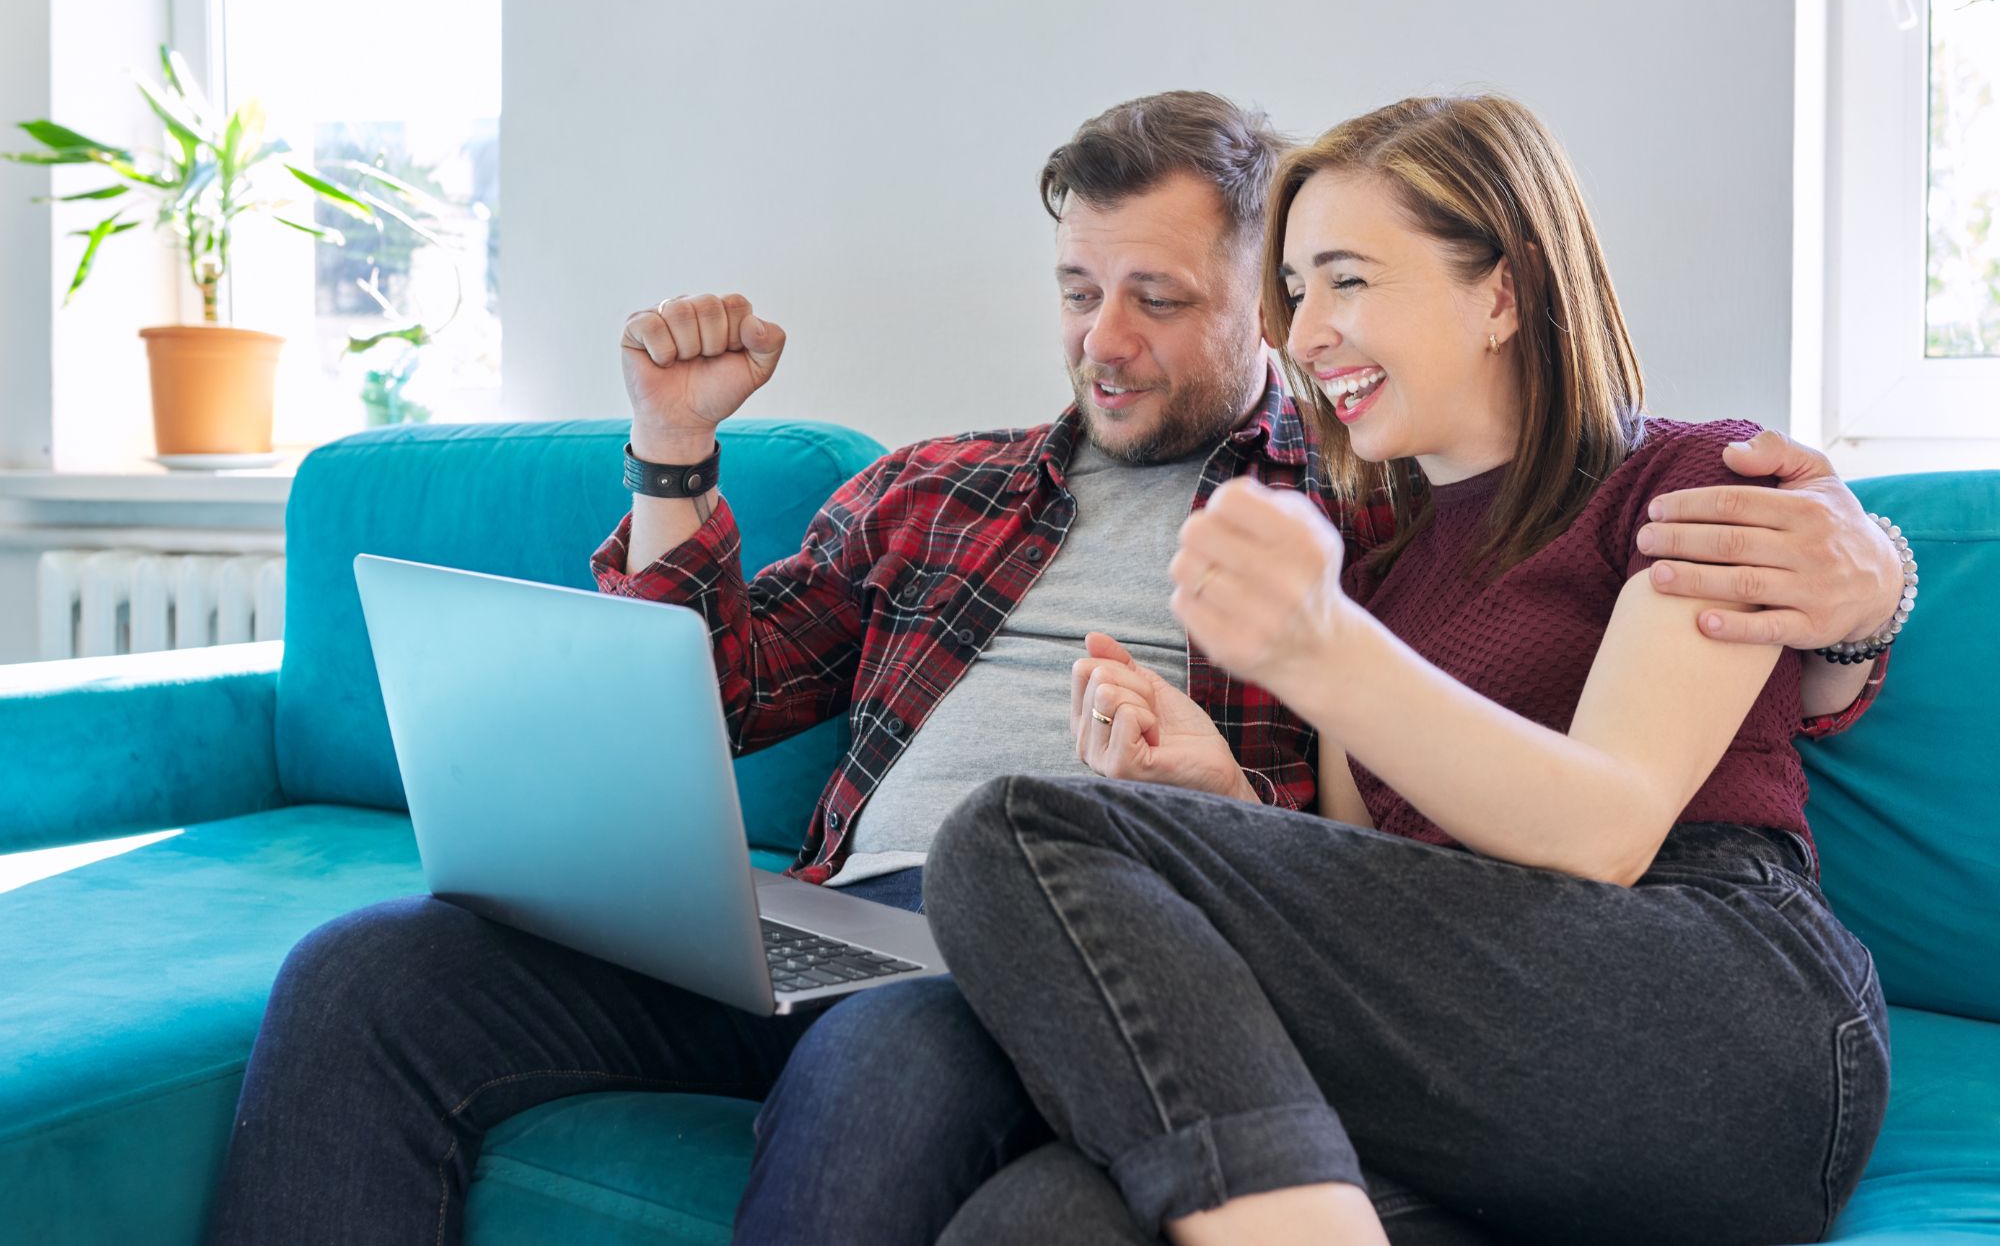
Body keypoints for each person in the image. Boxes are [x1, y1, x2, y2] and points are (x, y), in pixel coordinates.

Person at [202, 93, 1903, 1245]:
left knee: (981, 893)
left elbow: (1640, 754)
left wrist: (1867, 590)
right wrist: (669, 462)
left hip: (1033, 966)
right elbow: (705, 697)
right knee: (371, 970)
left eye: (1165, 294)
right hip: (847, 917)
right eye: (1082, 289)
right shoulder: (948, 487)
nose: (1108, 335)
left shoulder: (1342, 510)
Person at [787, 94, 1899, 1246]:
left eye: (1346, 281)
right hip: (1469, 1073)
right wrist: (1218, 794)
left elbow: (1604, 831)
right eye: (1295, 291)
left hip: (1713, 1018)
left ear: (1503, 291)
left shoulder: (1691, 483)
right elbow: (1368, 881)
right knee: (1033, 1222)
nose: (1304, 334)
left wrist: (1320, 651)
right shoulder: (1374, 562)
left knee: (1013, 830)